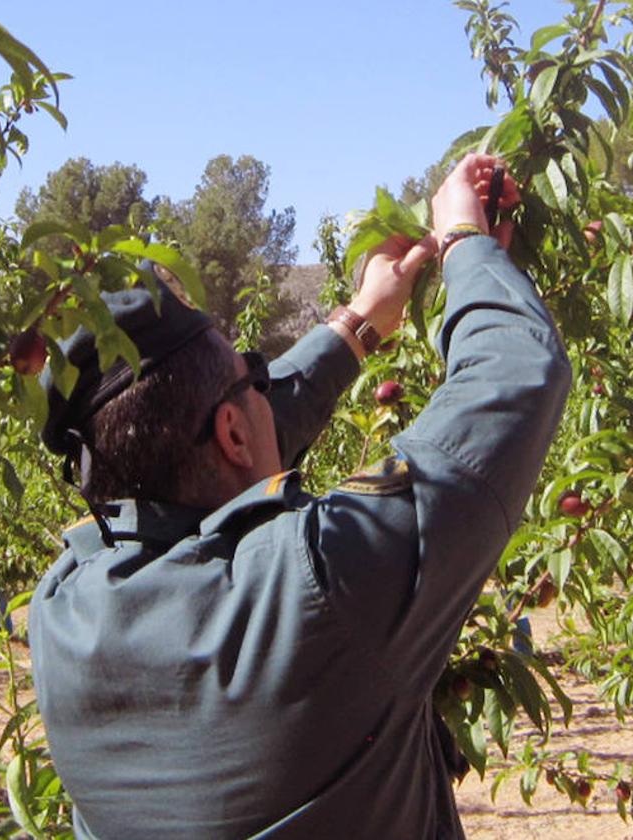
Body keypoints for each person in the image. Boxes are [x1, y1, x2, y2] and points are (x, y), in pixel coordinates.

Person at [30, 153, 570, 838]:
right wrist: (464, 240)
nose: (266, 387)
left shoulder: (60, 612)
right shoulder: (322, 580)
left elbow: (218, 456)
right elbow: (516, 373)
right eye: (252, 376)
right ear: (230, 430)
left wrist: (357, 325)